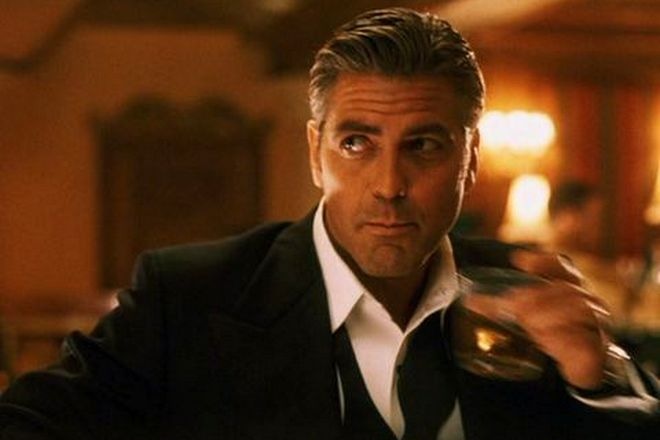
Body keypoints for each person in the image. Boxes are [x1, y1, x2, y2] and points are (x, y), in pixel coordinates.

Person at [0, 7, 658, 440]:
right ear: (316, 152)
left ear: (471, 158)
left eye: (424, 145)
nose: (390, 185)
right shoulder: (192, 297)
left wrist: (596, 380)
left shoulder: (523, 290)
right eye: (356, 143)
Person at [547, 181, 631, 324]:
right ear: (567, 216)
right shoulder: (555, 265)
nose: (598, 227)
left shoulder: (588, 263)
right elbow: (612, 311)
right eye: (593, 217)